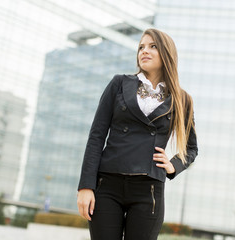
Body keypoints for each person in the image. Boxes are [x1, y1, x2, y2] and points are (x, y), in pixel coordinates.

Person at [77, 28, 198, 240]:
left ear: (167, 54)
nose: (144, 51)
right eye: (141, 47)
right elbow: (96, 136)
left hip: (148, 190)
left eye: (153, 46)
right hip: (107, 185)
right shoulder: (119, 84)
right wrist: (86, 186)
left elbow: (191, 148)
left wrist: (173, 165)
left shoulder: (182, 99)